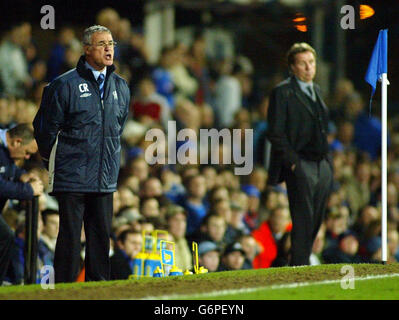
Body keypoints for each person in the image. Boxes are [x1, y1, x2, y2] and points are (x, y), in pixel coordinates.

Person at [33, 25, 130, 283]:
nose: (109, 48)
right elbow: (44, 129)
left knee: (100, 236)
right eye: (102, 44)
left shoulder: (121, 87)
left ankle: (98, 289)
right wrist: (52, 160)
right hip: (71, 175)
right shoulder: (63, 85)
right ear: (87, 49)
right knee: (70, 235)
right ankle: (64, 288)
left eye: (111, 43)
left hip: (104, 176)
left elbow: (117, 128)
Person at [266, 42, 333, 266]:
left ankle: (304, 260)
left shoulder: (317, 90)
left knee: (317, 216)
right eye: (303, 63)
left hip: (321, 162)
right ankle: (299, 264)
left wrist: (328, 162)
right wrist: (293, 162)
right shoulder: (282, 92)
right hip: (301, 162)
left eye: (311, 62)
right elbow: (275, 132)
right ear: (292, 67)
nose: (308, 67)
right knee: (303, 215)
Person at [0, 124, 43, 284]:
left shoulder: (6, 149)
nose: (26, 158)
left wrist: (22, 175)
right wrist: (28, 190)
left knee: (6, 238)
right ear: (17, 142)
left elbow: (6, 168)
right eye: (27, 153)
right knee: (5, 237)